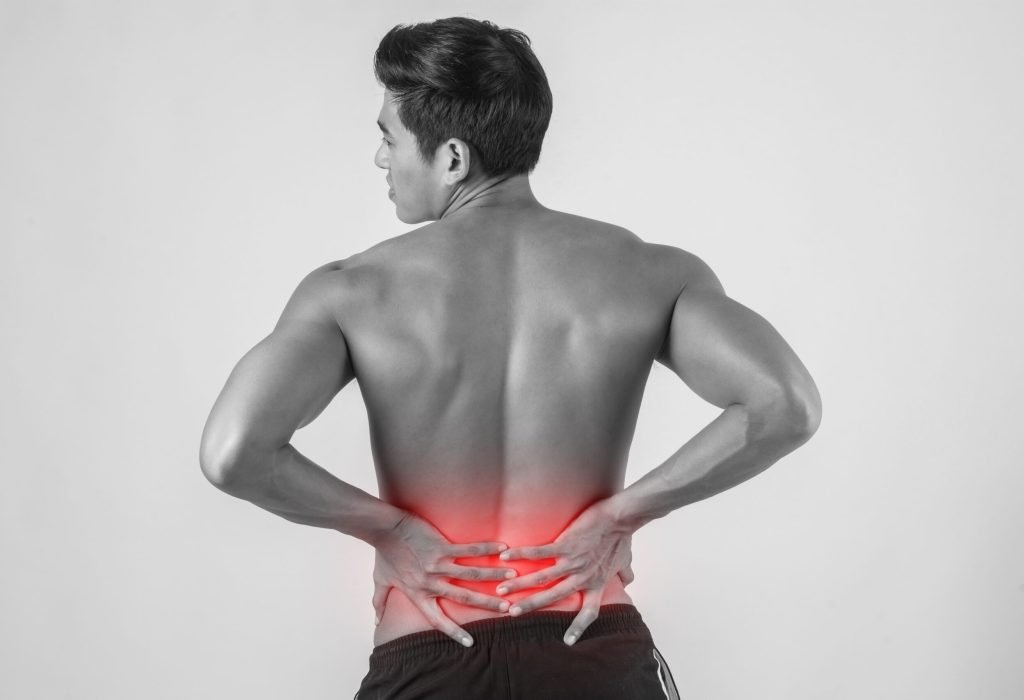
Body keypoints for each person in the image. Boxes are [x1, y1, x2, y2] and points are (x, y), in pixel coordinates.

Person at [199, 16, 822, 700]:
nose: (380, 158)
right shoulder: (651, 272)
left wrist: (390, 530)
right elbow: (783, 405)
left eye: (389, 137)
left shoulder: (352, 291)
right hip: (593, 649)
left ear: (453, 158)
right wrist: (624, 514)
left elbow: (234, 451)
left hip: (431, 653)